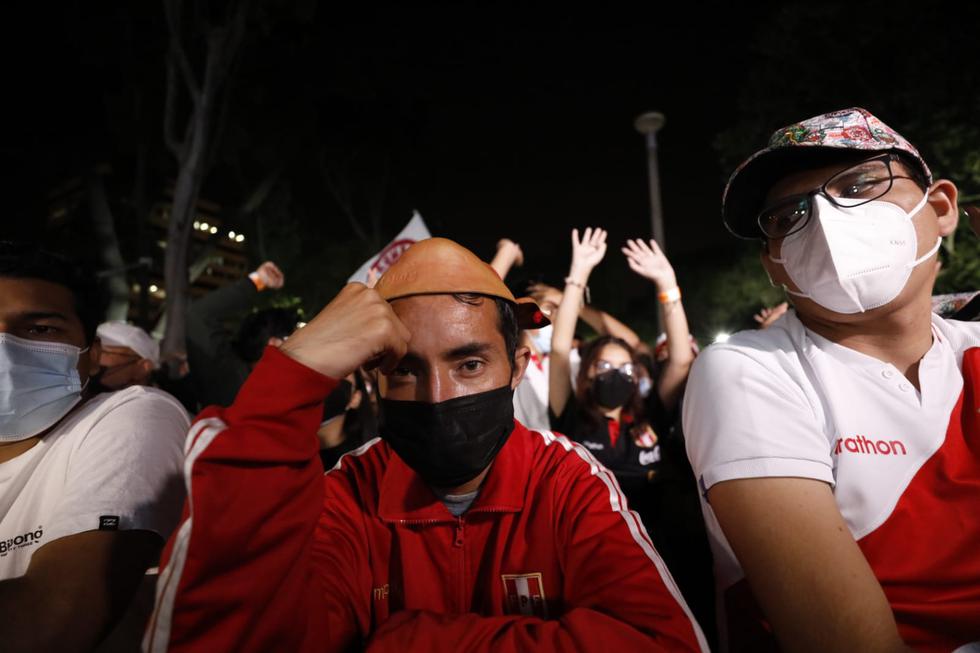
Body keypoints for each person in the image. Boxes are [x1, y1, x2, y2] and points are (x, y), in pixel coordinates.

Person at [145, 237, 707, 652]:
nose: (439, 396)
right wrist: (295, 374)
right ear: (373, 379)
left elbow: (665, 643)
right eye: (406, 369)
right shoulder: (344, 496)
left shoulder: (565, 479)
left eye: (468, 363)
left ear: (515, 370)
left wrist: (406, 642)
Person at [683, 107, 980, 651]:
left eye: (860, 184)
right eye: (785, 215)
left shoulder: (974, 351)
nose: (823, 219)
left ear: (940, 208)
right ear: (775, 265)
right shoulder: (750, 371)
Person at [0, 242, 188, 652]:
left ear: (92, 357)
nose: (6, 351)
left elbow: (54, 620)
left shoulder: (136, 414)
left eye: (39, 330)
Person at [549, 228, 696, 492]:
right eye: (604, 366)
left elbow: (681, 360)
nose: (616, 374)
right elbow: (560, 349)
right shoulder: (570, 417)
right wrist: (578, 276)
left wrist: (667, 285)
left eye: (626, 368)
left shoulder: (649, 415)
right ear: (587, 372)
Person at [185, 260, 295, 407]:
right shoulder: (227, 377)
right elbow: (198, 316)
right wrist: (258, 281)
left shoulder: (288, 394)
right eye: (292, 338)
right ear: (274, 343)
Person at [95, 321, 160, 390]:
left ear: (143, 367)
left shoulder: (147, 399)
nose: (91, 356)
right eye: (90, 349)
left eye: (103, 351)